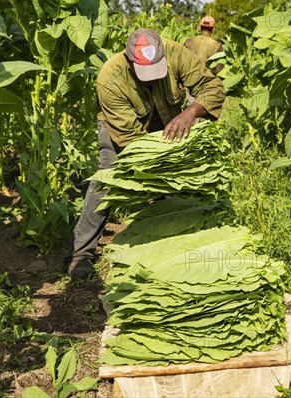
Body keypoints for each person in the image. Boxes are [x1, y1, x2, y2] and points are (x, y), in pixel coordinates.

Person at [64, 28, 225, 278]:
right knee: (109, 178)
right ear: (130, 61)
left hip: (167, 117)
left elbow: (212, 86)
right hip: (120, 127)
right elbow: (131, 140)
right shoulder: (111, 77)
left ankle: (174, 235)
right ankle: (81, 253)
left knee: (177, 177)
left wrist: (190, 113)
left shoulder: (176, 53)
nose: (150, 79)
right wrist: (158, 164)